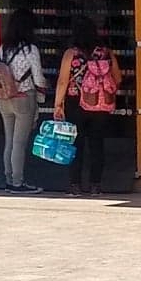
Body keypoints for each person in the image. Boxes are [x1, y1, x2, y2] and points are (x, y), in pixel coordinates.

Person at [53, 16, 121, 197]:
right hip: (100, 105)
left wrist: (58, 105)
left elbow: (62, 81)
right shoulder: (106, 53)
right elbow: (118, 78)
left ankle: (75, 186)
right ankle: (95, 186)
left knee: (75, 145)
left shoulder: (71, 54)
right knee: (97, 145)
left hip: (76, 104)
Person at [0, 7, 46, 194]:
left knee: (9, 141)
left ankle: (9, 179)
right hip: (24, 98)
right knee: (19, 143)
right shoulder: (30, 50)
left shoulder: (1, 48)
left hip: (4, 98)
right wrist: (41, 97)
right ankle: (18, 183)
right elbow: (38, 78)